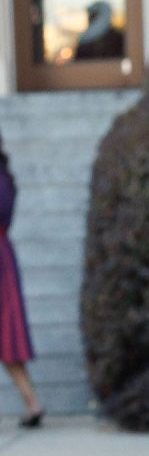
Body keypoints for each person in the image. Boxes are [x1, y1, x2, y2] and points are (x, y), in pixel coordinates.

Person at [0, 131, 43, 428]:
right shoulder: (6, 178)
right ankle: (32, 402)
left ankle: (32, 402)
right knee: (6, 334)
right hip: (3, 256)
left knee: (6, 334)